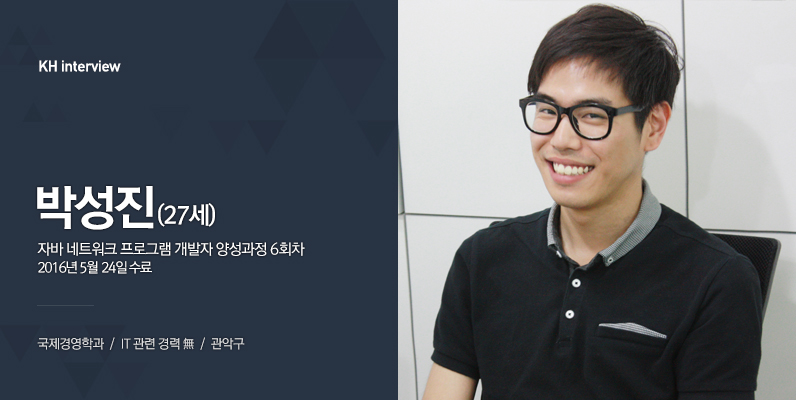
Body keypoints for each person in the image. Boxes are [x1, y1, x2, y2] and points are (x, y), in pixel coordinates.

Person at [422, 4, 762, 400]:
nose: (562, 139)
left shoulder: (718, 280)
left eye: (592, 115)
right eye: (548, 110)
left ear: (653, 126)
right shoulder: (482, 258)